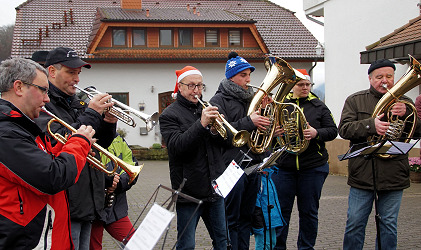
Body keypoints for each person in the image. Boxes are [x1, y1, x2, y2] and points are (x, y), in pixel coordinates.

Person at [0, 58, 95, 249]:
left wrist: (68, 146)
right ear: (19, 87)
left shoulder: (22, 126)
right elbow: (52, 177)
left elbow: (42, 162)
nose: (47, 99)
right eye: (43, 90)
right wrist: (79, 143)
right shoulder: (6, 132)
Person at [35, 47, 117, 250]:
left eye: (79, 73)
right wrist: (91, 112)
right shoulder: (44, 104)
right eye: (71, 72)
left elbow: (98, 145)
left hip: (87, 198)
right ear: (52, 72)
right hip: (67, 199)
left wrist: (108, 122)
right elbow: (62, 140)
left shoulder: (77, 101)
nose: (77, 79)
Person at [339, 59, 421, 249]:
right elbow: (344, 129)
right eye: (379, 77)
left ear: (394, 77)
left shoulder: (405, 102)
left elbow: (417, 132)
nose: (384, 81)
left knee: (388, 225)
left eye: (389, 76)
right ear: (370, 78)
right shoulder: (355, 100)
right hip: (363, 173)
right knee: (355, 224)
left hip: (394, 173)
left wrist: (408, 116)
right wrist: (370, 125)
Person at [159, 66, 228, 250]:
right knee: (187, 245)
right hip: (188, 191)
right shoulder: (169, 115)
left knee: (222, 242)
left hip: (214, 189)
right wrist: (202, 124)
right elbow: (177, 147)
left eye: (199, 86)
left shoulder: (210, 109)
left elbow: (224, 143)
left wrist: (215, 131)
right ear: (179, 87)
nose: (196, 90)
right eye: (191, 86)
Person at [209, 51, 272, 250]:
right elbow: (220, 134)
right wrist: (250, 121)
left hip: (252, 166)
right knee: (231, 219)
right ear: (231, 76)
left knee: (246, 218)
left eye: (249, 75)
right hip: (230, 167)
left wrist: (267, 122)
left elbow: (257, 136)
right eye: (243, 75)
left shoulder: (251, 99)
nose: (249, 79)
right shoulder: (218, 100)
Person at [271, 69, 338, 249]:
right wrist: (274, 132)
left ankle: (306, 247)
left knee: (309, 213)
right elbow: (266, 132)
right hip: (284, 167)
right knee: (281, 212)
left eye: (308, 84)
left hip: (312, 167)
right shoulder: (280, 104)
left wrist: (317, 133)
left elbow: (333, 130)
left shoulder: (319, 106)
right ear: (292, 86)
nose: (305, 88)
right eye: (301, 84)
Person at [90, 132, 139, 249]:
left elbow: (131, 164)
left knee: (137, 244)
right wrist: (106, 181)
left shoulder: (118, 138)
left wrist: (118, 183)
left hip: (115, 208)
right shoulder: (87, 134)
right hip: (92, 209)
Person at [251, 166, 285, 250]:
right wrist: (258, 223)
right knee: (262, 244)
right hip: (262, 220)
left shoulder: (268, 178)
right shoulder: (260, 181)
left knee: (271, 242)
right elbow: (256, 204)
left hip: (271, 219)